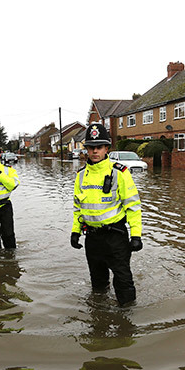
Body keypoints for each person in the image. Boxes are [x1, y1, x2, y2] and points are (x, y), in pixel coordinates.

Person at [70, 124, 143, 306]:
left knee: (124, 284)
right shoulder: (80, 176)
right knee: (98, 287)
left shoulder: (120, 173)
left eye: (99, 147)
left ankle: (127, 323)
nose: (94, 151)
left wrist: (136, 235)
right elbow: (78, 208)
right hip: (92, 239)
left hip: (115, 237)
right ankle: (99, 318)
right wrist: (75, 232)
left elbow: (133, 206)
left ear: (106, 149)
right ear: (86, 149)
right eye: (91, 147)